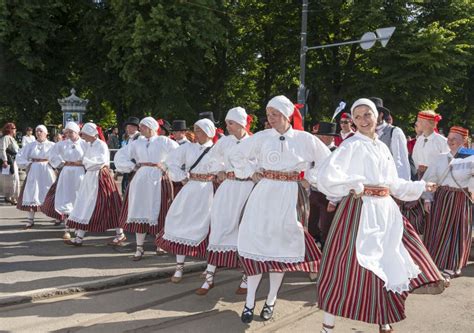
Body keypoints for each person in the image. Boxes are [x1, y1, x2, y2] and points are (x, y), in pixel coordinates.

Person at [316, 98, 444, 333]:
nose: (364, 120)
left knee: (386, 263)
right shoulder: (351, 145)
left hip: (385, 211)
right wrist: (353, 184)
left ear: (377, 117)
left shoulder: (382, 147)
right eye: (358, 116)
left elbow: (393, 184)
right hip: (359, 212)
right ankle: (328, 326)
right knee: (344, 268)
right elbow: (325, 176)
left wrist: (421, 187)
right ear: (353, 121)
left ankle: (383, 318)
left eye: (368, 115)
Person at [229, 95, 330, 323]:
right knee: (256, 242)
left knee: (280, 247)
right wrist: (250, 171)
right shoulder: (262, 137)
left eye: (275, 114)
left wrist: (310, 177)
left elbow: (328, 160)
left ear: (287, 115)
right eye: (268, 114)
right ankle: (249, 301)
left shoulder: (304, 139)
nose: (271, 119)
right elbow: (236, 155)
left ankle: (271, 301)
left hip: (290, 196)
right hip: (264, 194)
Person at [195, 107, 254, 296]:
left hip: (247, 189)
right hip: (228, 188)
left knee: (245, 231)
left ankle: (246, 276)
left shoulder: (254, 142)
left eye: (231, 123)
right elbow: (212, 158)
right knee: (219, 227)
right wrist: (219, 169)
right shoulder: (224, 142)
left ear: (241, 123)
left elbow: (260, 163)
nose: (227, 127)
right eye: (227, 123)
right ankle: (209, 277)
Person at [156, 118, 217, 283]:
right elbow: (170, 162)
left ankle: (210, 267)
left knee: (211, 227)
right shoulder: (188, 148)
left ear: (209, 131)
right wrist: (181, 177)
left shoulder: (218, 149)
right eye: (196, 130)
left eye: (201, 130)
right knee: (180, 222)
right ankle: (179, 267)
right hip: (191, 189)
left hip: (210, 190)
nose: (197, 133)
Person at [114, 117, 178, 259]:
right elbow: (121, 155)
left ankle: (160, 245)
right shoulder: (137, 143)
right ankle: (139, 247)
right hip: (141, 179)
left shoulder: (164, 141)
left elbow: (178, 155)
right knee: (139, 210)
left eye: (142, 126)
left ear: (151, 128)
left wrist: (166, 165)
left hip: (159, 178)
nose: (140, 129)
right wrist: (132, 166)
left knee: (161, 211)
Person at [422, 126, 473, 278]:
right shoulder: (440, 158)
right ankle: (434, 264)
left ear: (464, 141)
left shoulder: (471, 158)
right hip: (441, 198)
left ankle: (452, 266)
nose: (451, 142)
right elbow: (430, 178)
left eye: (455, 139)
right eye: (449, 139)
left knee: (457, 232)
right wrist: (427, 198)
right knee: (436, 230)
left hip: (460, 199)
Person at [64, 123, 123, 246]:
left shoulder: (101, 144)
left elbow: (100, 162)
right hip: (91, 177)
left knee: (108, 205)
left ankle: (120, 234)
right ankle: (79, 237)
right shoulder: (90, 145)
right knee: (86, 204)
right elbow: (89, 161)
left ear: (91, 134)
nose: (83, 136)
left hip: (101, 177)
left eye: (84, 134)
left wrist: (86, 162)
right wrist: (87, 162)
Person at [42, 122, 89, 239]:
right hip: (67, 172)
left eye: (71, 132)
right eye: (67, 132)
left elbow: (90, 156)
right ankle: (67, 228)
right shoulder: (62, 144)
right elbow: (52, 155)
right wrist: (60, 164)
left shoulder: (85, 144)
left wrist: (84, 163)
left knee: (78, 198)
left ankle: (78, 227)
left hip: (79, 173)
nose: (69, 134)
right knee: (66, 198)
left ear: (77, 132)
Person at [16, 125, 56, 229]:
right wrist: (28, 163)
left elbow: (58, 157)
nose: (38, 133)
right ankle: (30, 219)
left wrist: (55, 164)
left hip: (47, 171)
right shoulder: (31, 145)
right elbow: (20, 156)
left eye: (41, 131)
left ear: (46, 133)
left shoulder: (52, 145)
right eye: (37, 131)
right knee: (32, 193)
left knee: (51, 193)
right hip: (34, 171)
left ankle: (57, 217)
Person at [308, 122, 338, 248]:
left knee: (327, 225)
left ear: (329, 137)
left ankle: (326, 250)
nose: (319, 139)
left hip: (327, 194)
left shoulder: (337, 152)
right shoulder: (314, 152)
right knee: (311, 224)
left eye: (321, 136)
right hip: (314, 193)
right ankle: (315, 244)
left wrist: (334, 198)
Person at [371, 97, 410, 180]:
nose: (369, 117)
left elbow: (401, 163)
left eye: (372, 113)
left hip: (389, 183)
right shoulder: (365, 133)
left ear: (381, 114)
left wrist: (401, 187)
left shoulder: (394, 132)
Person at [118, 117, 141, 195]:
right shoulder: (130, 138)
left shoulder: (140, 138)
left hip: (136, 167)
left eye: (129, 127)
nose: (127, 129)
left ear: (135, 127)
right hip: (130, 166)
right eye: (127, 127)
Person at [0, 123, 20, 205]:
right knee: (12, 179)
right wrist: (4, 160)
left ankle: (11, 197)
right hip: (9, 160)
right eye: (14, 128)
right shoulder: (6, 138)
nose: (15, 130)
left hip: (14, 160)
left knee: (13, 179)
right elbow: (2, 149)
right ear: (10, 129)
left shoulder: (12, 138)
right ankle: (11, 197)